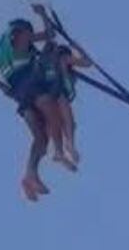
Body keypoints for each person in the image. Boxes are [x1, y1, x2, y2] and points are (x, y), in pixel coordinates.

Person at [0, 5, 69, 201]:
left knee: (40, 139)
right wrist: (43, 14)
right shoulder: (22, 38)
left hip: (20, 95)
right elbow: (50, 34)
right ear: (22, 32)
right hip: (31, 86)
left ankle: (30, 175)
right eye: (29, 32)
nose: (31, 36)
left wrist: (2, 87)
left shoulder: (2, 54)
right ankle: (60, 151)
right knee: (54, 114)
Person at [38, 39, 92, 170]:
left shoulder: (43, 61)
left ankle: (59, 152)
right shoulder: (63, 58)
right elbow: (87, 62)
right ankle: (69, 145)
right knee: (68, 121)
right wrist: (77, 47)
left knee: (57, 123)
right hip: (57, 93)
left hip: (44, 98)